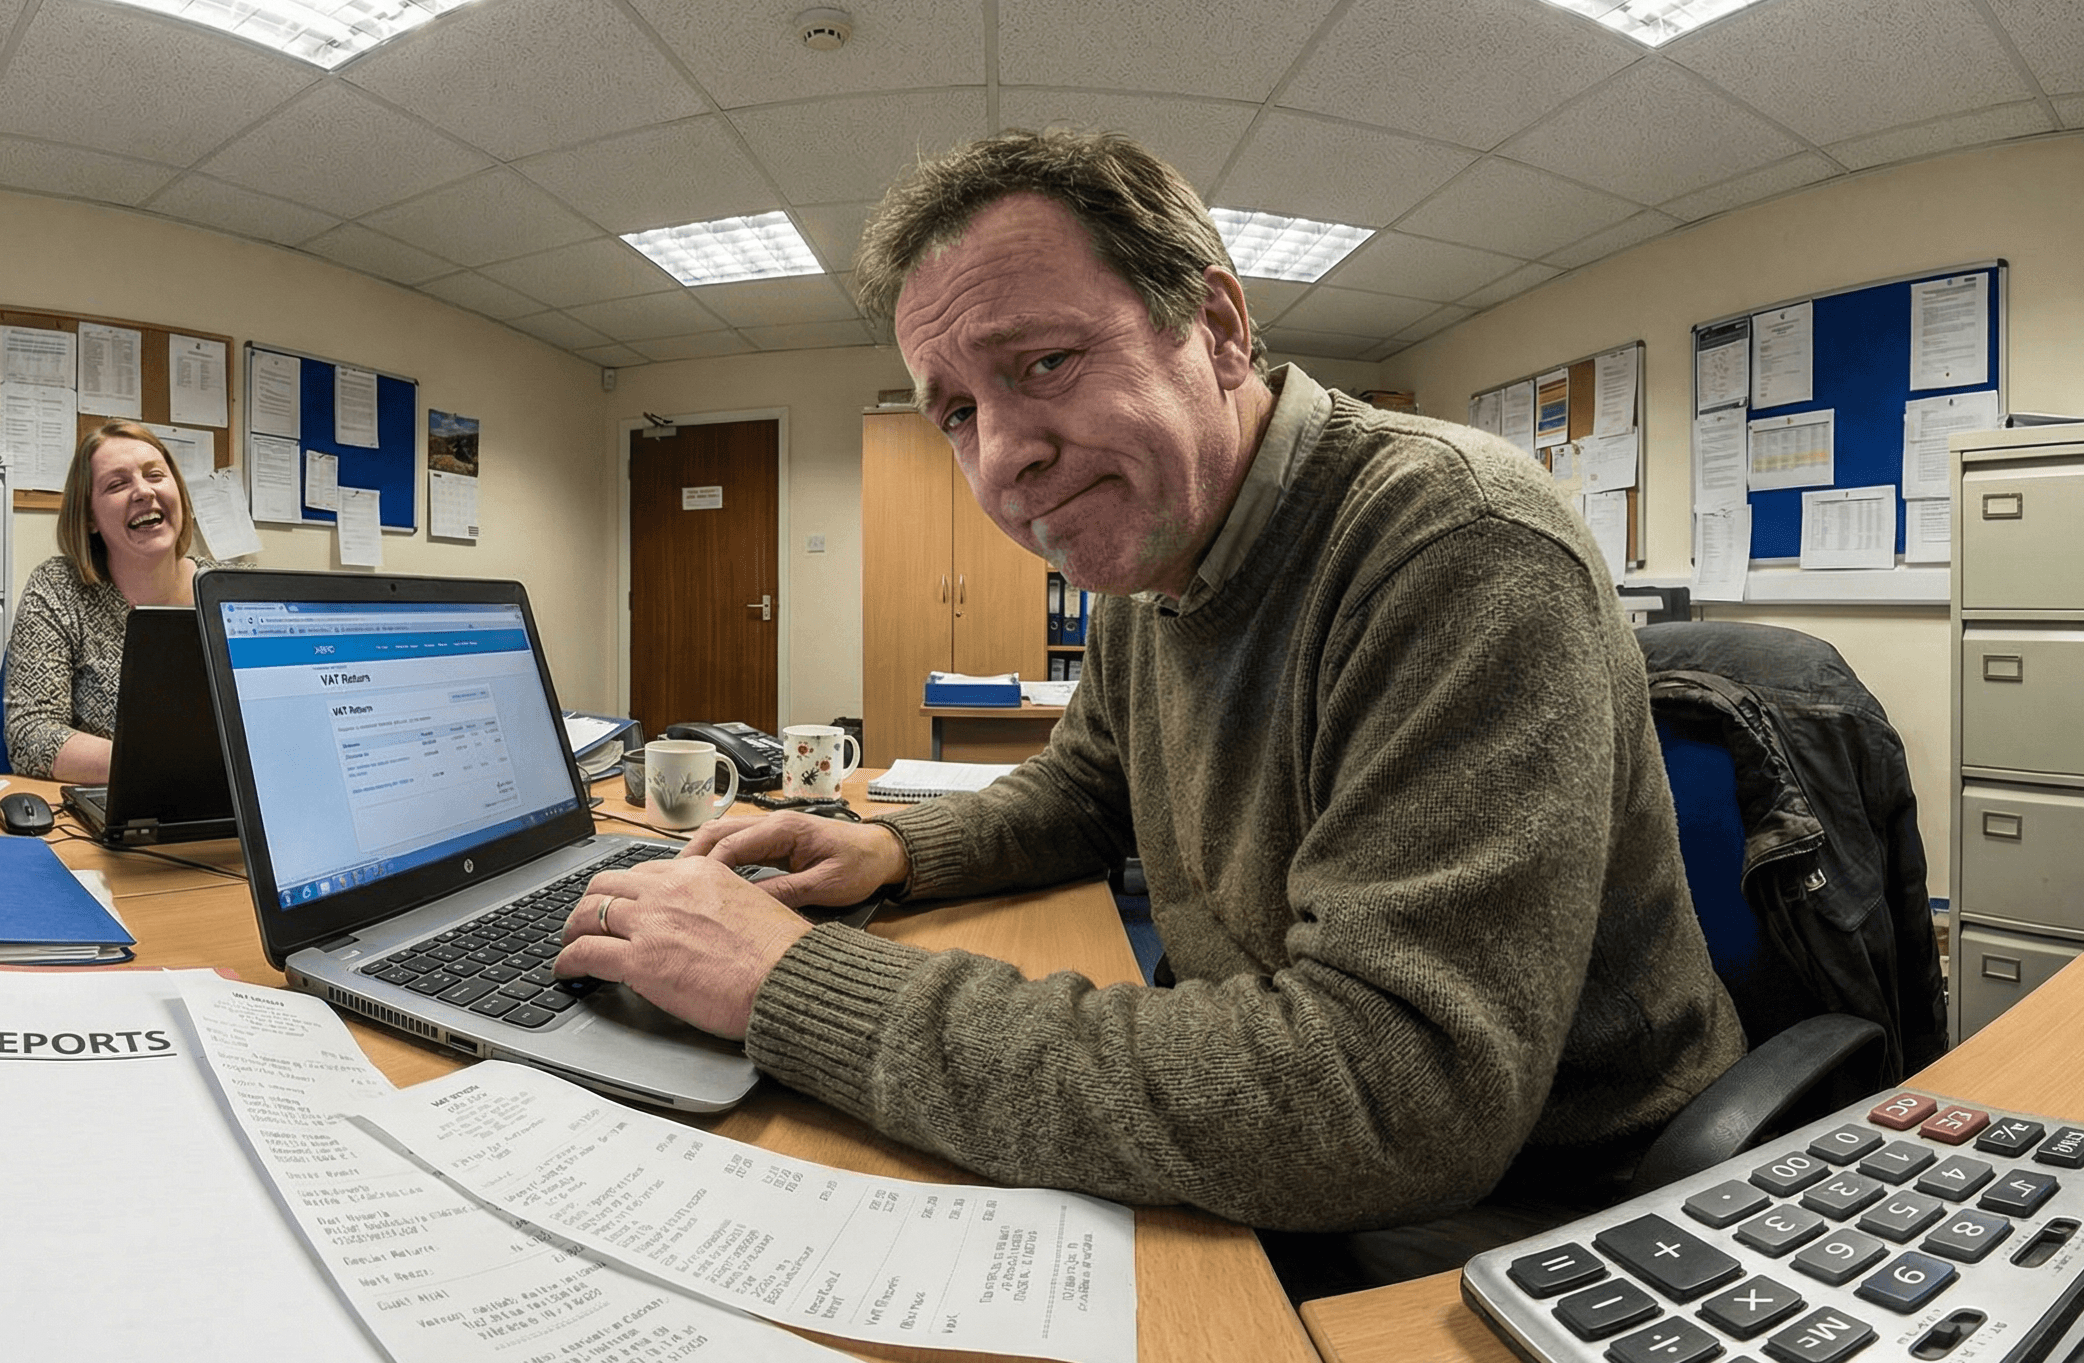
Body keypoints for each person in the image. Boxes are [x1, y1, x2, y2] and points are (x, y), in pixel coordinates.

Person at [552, 129, 1742, 1266]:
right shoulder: (1152, 566)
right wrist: (894, 851)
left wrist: (793, 983)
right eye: (957, 411)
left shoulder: (1453, 545)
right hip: (1302, 1112)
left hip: (1547, 1203)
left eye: (1044, 363)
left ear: (1216, 329)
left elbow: (1394, 1094)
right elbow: (1084, 794)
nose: (999, 458)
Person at [3, 421, 202, 782]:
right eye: (117, 484)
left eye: (155, 475)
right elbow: (30, 736)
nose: (143, 491)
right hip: (114, 800)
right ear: (90, 517)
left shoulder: (229, 590)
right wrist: (157, 765)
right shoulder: (58, 588)